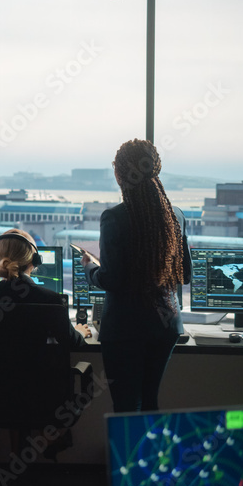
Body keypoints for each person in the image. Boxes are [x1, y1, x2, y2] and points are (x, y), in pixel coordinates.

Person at [82, 139, 190, 413]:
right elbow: (185, 274)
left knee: (126, 405)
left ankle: (128, 457)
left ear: (119, 175)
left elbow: (112, 280)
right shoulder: (175, 216)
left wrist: (89, 269)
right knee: (150, 401)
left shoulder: (114, 218)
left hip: (125, 330)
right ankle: (149, 457)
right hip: (166, 327)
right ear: (156, 169)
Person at [0, 228, 92, 351]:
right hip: (36, 382)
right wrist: (79, 332)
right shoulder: (51, 300)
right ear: (35, 261)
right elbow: (73, 343)